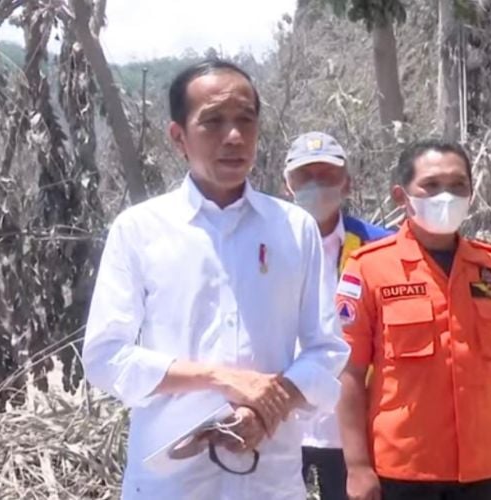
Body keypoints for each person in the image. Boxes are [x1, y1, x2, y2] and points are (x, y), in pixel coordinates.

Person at [82, 59, 349, 500]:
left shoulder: (294, 228)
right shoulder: (139, 230)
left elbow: (326, 349)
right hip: (170, 484)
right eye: (213, 122)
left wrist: (268, 408)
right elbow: (106, 357)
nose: (234, 137)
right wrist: (219, 378)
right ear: (178, 137)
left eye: (246, 120)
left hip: (271, 480)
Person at [337, 140, 491, 500]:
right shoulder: (370, 267)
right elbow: (348, 374)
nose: (446, 196)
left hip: (484, 467)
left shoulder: (486, 266)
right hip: (404, 470)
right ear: (401, 195)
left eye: (458, 186)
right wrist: (357, 467)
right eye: (432, 185)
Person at [283, 132, 390, 500]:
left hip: (352, 434)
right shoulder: (266, 245)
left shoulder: (380, 247)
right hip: (282, 426)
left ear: (347, 181)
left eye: (326, 174)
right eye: (304, 176)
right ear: (287, 185)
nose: (315, 185)